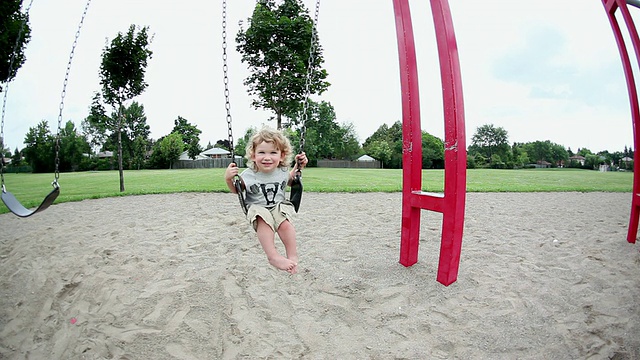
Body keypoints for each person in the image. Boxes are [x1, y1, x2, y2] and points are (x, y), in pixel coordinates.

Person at [225, 127, 308, 274]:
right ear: (253, 155)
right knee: (264, 222)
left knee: (286, 226)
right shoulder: (248, 175)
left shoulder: (282, 172)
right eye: (261, 152)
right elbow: (236, 190)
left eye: (273, 152)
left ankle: (292, 255)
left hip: (277, 207)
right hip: (257, 207)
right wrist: (228, 179)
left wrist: (298, 166)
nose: (267, 157)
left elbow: (291, 180)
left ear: (282, 155)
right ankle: (273, 256)